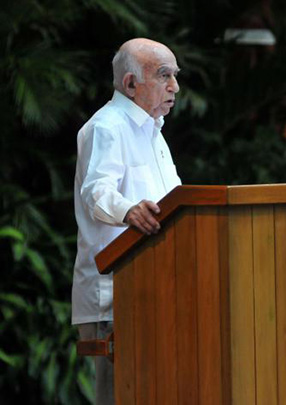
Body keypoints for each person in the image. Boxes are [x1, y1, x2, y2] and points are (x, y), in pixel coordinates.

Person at [72, 38, 182, 404]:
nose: (174, 87)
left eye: (175, 76)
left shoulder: (155, 132)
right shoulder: (106, 127)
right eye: (164, 75)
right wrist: (128, 211)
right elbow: (95, 192)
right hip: (117, 298)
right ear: (130, 84)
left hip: (160, 290)